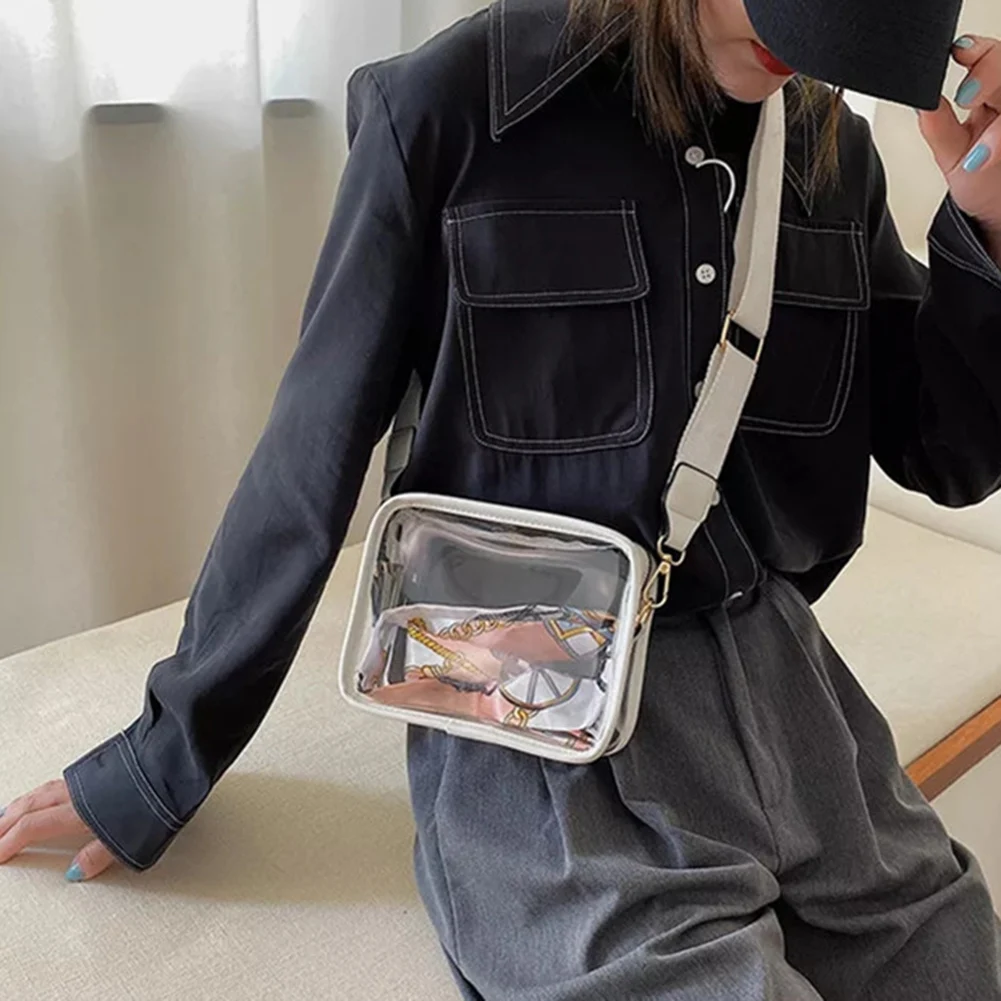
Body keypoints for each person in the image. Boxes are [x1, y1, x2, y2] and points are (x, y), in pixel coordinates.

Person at [3, 0, 1001, 996]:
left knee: (957, 959)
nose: (795, 56)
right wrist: (162, 756)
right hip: (526, 681)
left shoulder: (826, 149)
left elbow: (945, 456)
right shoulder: (457, 106)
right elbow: (311, 448)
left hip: (790, 682)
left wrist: (986, 225)